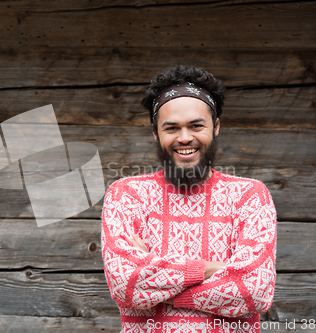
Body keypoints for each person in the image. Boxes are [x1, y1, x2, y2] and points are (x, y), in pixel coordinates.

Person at [101, 65, 277, 332]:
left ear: (215, 127)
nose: (184, 138)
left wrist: (159, 284)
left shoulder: (250, 196)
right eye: (171, 128)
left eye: (196, 126)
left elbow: (254, 291)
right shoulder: (127, 195)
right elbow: (125, 285)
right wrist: (209, 270)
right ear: (154, 133)